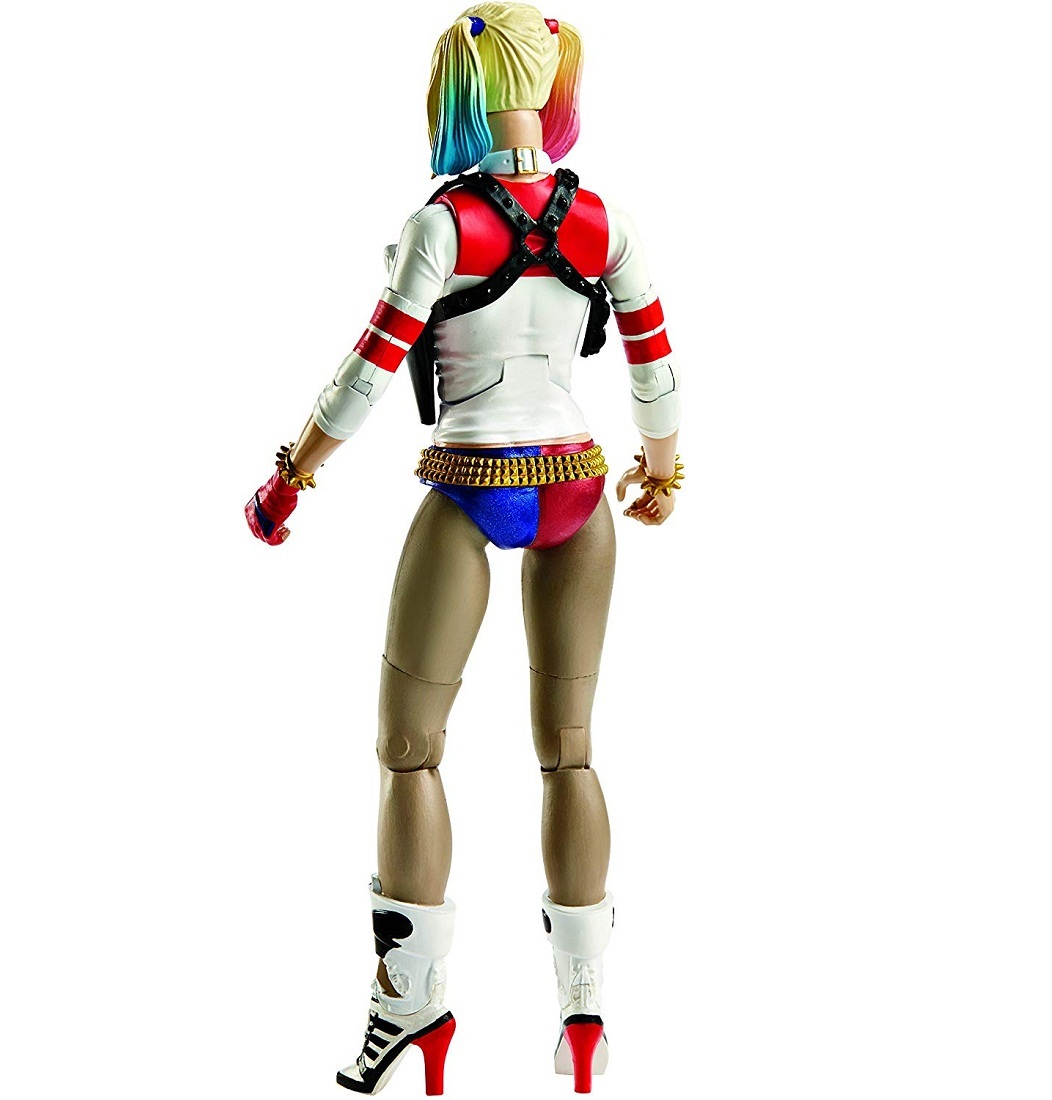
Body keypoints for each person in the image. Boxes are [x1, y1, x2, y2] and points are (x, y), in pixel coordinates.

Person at [245, 4, 682, 1094]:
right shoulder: (603, 222)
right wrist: (662, 470)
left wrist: (290, 476)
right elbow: (654, 364)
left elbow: (366, 371)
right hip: (578, 484)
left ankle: (409, 1005)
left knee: (408, 749)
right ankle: (583, 1015)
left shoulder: (442, 224)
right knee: (569, 751)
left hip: (474, 480)